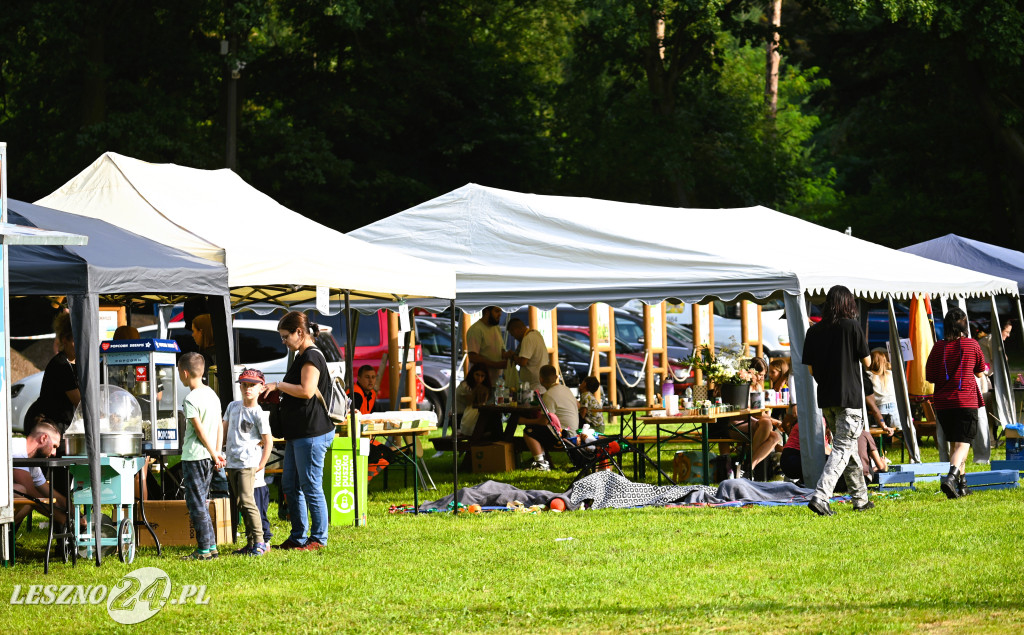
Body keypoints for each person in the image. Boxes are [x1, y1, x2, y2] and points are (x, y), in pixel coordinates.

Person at [264, 311, 335, 551]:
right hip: (298, 432)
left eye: (285, 336)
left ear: (300, 333)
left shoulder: (312, 356)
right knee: (290, 485)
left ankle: (318, 539)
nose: (283, 341)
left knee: (310, 485)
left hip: (312, 433)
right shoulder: (301, 355)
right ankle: (298, 536)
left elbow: (306, 390)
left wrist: (278, 385)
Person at [801, 285, 873, 515]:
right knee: (842, 449)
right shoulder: (852, 327)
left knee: (848, 449)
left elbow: (811, 370)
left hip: (827, 399)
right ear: (848, 303)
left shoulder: (813, 331)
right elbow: (868, 362)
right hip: (849, 398)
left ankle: (860, 499)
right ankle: (821, 497)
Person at [925, 307, 986, 499]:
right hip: (965, 399)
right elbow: (979, 371)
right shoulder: (972, 344)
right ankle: (951, 478)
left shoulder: (937, 347)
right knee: (964, 443)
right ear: (964, 323)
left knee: (955, 444)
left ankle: (962, 485)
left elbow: (931, 376)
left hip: (943, 402)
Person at [177, 352, 226, 560]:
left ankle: (203, 550)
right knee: (203, 501)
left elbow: (200, 431)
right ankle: (211, 546)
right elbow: (218, 427)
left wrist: (214, 453)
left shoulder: (190, 398)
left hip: (195, 456)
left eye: (180, 372)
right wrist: (217, 452)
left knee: (196, 503)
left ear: (185, 373)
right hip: (209, 456)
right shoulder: (212, 395)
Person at [223, 368, 273, 556]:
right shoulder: (233, 406)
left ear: (261, 388)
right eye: (244, 385)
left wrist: (261, 464)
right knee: (239, 502)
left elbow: (268, 441)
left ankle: (260, 542)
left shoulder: (259, 414)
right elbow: (224, 430)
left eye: (252, 385)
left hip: (248, 463)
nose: (247, 389)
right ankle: (251, 542)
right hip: (232, 462)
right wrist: (219, 452)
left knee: (247, 500)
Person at [24, 312, 80, 435]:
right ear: (65, 340)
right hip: (47, 427)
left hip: (60, 425)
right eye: (76, 341)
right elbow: (79, 401)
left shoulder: (78, 363)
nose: (81, 346)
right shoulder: (61, 365)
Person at [517, 365, 580, 471]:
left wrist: (523, 421)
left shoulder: (549, 395)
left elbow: (543, 421)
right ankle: (542, 461)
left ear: (541, 379)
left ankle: (540, 463)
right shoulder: (566, 389)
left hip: (562, 433)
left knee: (529, 431)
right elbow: (578, 405)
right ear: (556, 377)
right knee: (539, 432)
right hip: (572, 430)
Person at [11, 421, 69, 528]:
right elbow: (31, 494)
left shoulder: (31, 460)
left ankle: (5, 536)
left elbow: (49, 493)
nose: (54, 453)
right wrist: (66, 521)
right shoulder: (16, 449)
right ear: (43, 438)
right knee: (22, 492)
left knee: (28, 504)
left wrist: (75, 513)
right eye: (54, 446)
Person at [868, 348, 916, 461]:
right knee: (909, 431)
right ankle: (912, 456)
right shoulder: (891, 374)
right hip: (896, 414)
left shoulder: (868, 376)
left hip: (880, 416)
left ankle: (880, 457)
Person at [466, 306, 510, 384]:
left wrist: (509, 356)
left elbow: (501, 349)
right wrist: (496, 365)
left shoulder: (496, 327)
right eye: (497, 311)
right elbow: (473, 357)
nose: (500, 314)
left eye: (500, 311)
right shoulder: (476, 329)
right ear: (487, 312)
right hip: (481, 383)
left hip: (496, 381)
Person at [507, 318, 547, 392]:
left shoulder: (527, 338)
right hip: (538, 383)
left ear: (516, 330)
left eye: (513, 335)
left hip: (533, 386)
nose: (514, 338)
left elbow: (522, 362)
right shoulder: (535, 333)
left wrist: (512, 356)